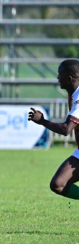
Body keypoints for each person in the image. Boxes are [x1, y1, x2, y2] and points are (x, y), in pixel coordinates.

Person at [29, 59, 79, 201]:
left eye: (60, 74)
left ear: (69, 78)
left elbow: (66, 129)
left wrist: (42, 121)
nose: (57, 78)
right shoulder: (74, 93)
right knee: (58, 184)